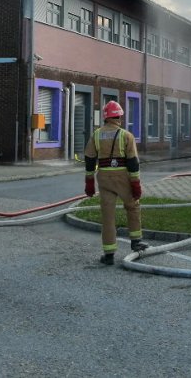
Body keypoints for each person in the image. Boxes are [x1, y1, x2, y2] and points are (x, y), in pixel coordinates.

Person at [83, 100, 148, 265]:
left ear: (105, 117)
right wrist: (135, 183)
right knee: (132, 206)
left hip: (104, 178)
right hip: (122, 177)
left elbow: (90, 160)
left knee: (107, 215)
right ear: (119, 116)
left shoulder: (96, 135)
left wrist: (89, 181)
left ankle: (109, 254)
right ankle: (136, 242)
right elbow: (133, 162)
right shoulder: (126, 136)